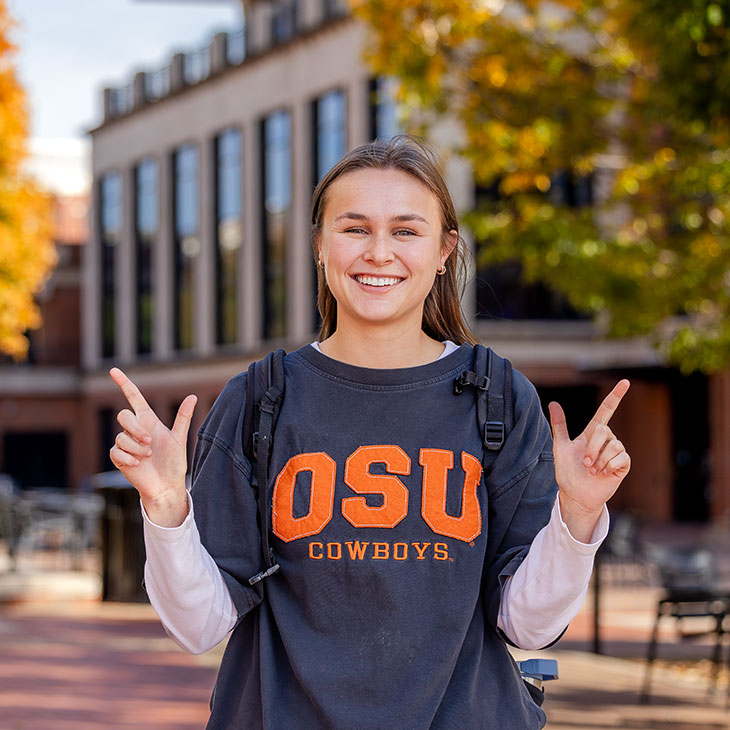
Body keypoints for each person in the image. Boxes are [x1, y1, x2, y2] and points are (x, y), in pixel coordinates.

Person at [109, 136, 630, 730]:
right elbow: (199, 627)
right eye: (354, 228)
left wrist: (579, 515)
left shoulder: (499, 396)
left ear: (444, 251)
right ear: (320, 247)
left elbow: (529, 627)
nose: (379, 252)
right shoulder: (260, 397)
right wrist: (167, 505)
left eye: (405, 231)